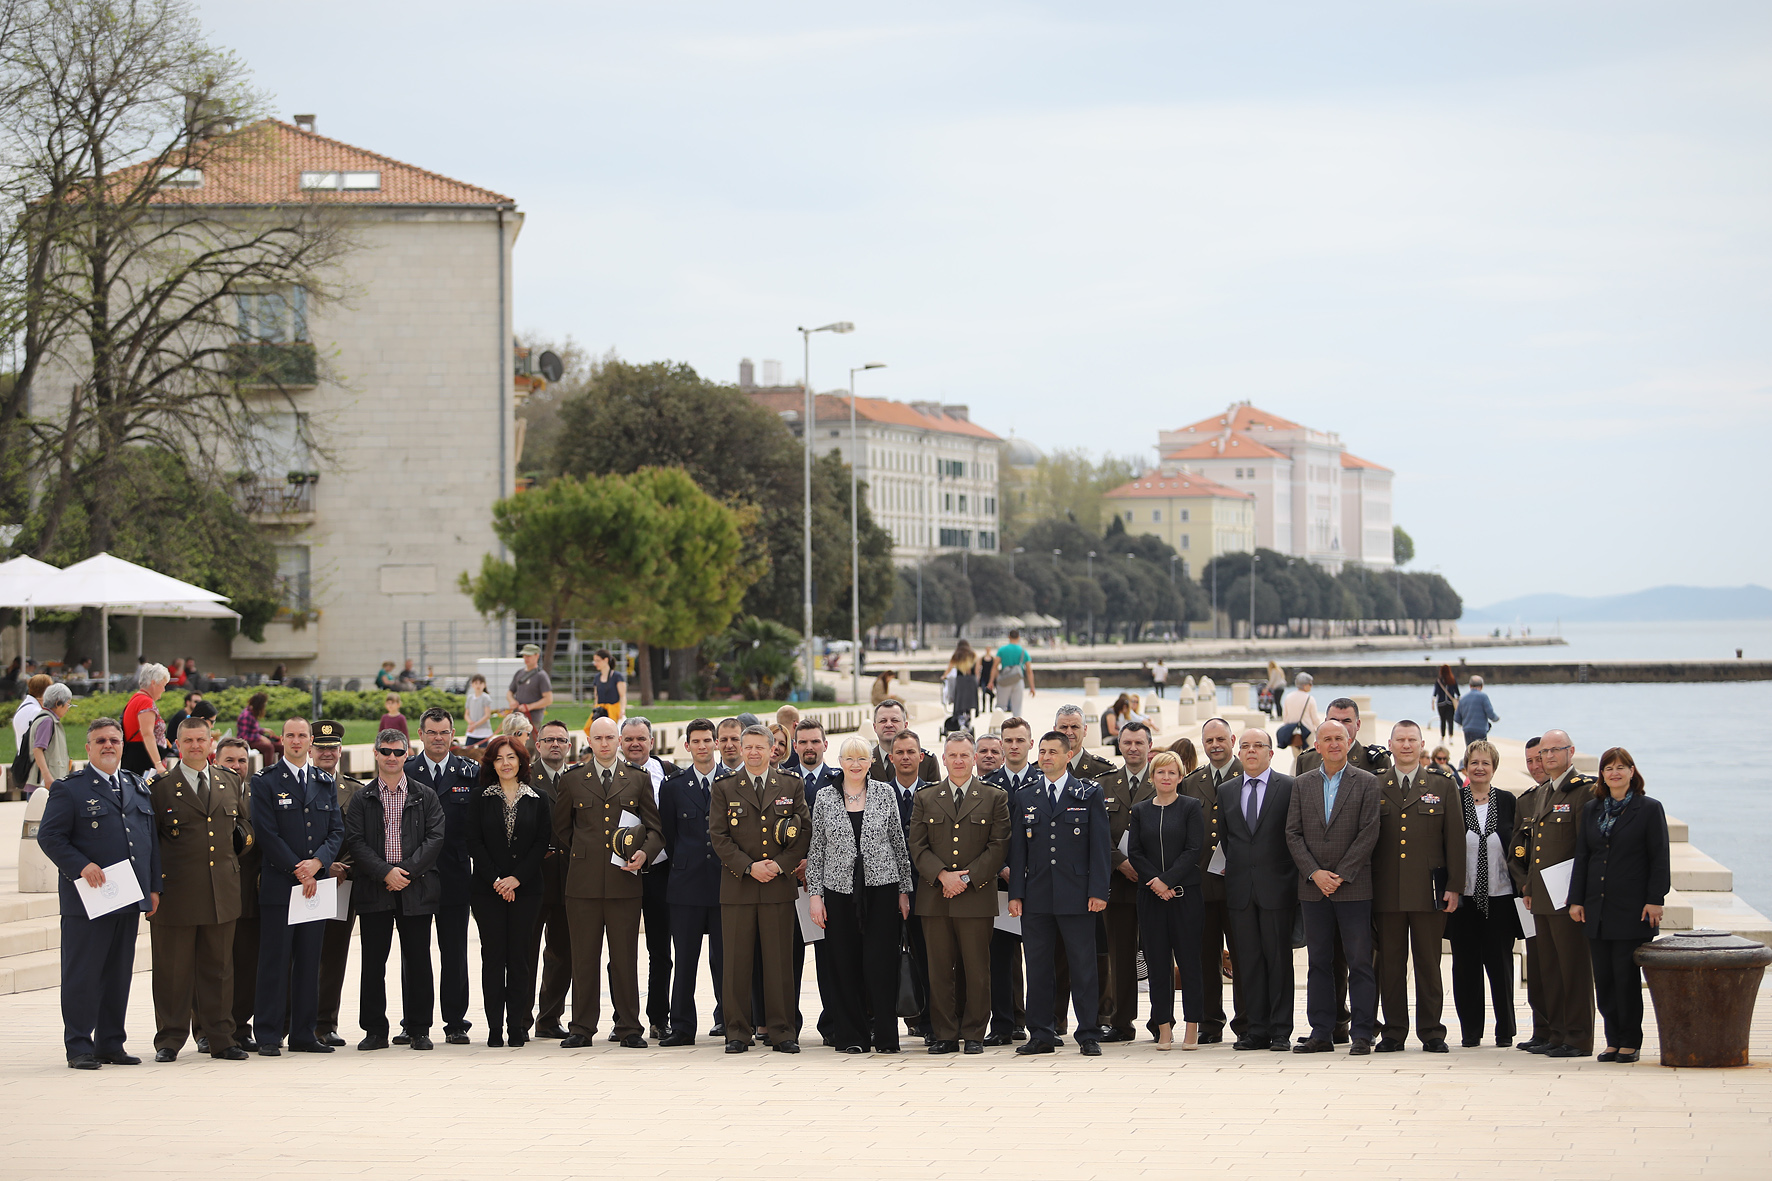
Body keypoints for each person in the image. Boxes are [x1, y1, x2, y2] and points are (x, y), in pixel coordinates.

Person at [37, 718, 161, 1069]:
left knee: (118, 973)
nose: (109, 745)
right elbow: (50, 836)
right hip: (86, 901)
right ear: (88, 747)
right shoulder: (70, 789)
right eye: (100, 740)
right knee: (83, 974)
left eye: (115, 740)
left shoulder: (135, 785)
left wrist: (153, 887)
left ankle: (111, 1043)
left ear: (123, 745)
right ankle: (79, 1046)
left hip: (126, 896)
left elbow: (149, 842)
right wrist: (81, 865)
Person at [145, 715, 251, 1062]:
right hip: (176, 894)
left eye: (201, 740)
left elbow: (245, 828)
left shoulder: (228, 781)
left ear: (211, 743)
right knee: (173, 971)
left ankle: (221, 1038)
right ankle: (170, 1040)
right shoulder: (160, 788)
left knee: (219, 970)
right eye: (187, 741)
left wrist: (239, 847)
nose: (195, 746)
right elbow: (150, 843)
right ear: (177, 744)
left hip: (221, 891)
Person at [554, 715, 661, 1048]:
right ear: (589, 741)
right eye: (597, 738)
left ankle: (629, 1027)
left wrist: (644, 854)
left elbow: (655, 829)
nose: (604, 744)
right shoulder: (573, 779)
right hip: (583, 885)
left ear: (618, 740)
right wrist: (587, 854)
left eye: (610, 738)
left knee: (625, 958)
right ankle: (582, 1028)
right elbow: (562, 829)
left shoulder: (637, 778)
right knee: (584, 958)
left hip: (623, 883)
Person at [807, 735, 914, 1053]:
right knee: (843, 961)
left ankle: (884, 1036)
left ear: (871, 762)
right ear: (840, 762)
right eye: (850, 759)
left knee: (880, 962)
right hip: (838, 890)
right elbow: (817, 849)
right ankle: (851, 1036)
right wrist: (815, 894)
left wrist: (904, 890)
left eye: (862, 759)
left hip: (882, 888)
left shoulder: (885, 793)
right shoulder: (825, 797)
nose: (856, 764)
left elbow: (898, 843)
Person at [1007, 729, 1110, 1056]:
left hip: (1077, 895)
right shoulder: (1026, 796)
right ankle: (1040, 1033)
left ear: (1068, 755)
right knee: (1037, 967)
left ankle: (1088, 1032)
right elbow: (1018, 850)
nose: (1047, 757)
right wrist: (1015, 894)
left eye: (1054, 752)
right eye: (1043, 751)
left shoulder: (1088, 793)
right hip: (1037, 896)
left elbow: (1100, 848)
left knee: (1083, 966)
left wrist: (1098, 890)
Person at [709, 724, 811, 1053]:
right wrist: (749, 867)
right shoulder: (725, 787)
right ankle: (738, 1032)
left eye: (759, 747)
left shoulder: (790, 785)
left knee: (779, 962)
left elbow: (804, 830)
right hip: (739, 886)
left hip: (778, 887)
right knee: (736, 963)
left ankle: (782, 1032)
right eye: (748, 747)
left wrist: (779, 865)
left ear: (772, 750)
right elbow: (718, 836)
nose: (753, 753)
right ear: (740, 749)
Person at [908, 732, 1010, 1055]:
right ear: (944, 757)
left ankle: (975, 1032)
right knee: (939, 970)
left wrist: (965, 879)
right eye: (952, 756)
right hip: (935, 896)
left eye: (965, 755)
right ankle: (945, 1033)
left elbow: (998, 846)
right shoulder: (926, 797)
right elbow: (917, 845)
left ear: (974, 758)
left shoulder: (994, 797)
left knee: (977, 968)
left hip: (975, 895)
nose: (959, 761)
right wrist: (942, 876)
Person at [1286, 719, 1382, 1055]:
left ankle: (1362, 1032)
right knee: (1318, 962)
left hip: (1353, 886)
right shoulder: (1302, 784)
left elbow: (1369, 832)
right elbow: (1293, 834)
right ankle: (1322, 1032)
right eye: (1326, 739)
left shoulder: (1368, 783)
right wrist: (1315, 873)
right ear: (1317, 745)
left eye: (1339, 738)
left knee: (1359, 962)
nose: (1333, 744)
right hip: (1313, 889)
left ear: (1349, 740)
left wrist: (1339, 874)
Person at [346, 729, 446, 1051]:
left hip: (415, 887)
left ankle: (419, 1029)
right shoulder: (362, 797)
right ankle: (375, 1030)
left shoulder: (425, 795)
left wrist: (406, 872)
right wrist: (384, 872)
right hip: (375, 887)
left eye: (397, 752)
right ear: (375, 754)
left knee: (418, 960)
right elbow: (356, 842)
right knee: (373, 963)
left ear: (407, 755)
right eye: (385, 751)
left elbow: (435, 838)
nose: (391, 757)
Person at [1569, 748, 1670, 1064]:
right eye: (1608, 768)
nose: (1614, 773)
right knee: (1605, 979)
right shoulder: (1592, 809)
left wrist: (1656, 899)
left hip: (1633, 909)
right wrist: (1575, 899)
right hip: (1596, 909)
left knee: (1626, 978)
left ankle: (1630, 1041)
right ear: (1601, 774)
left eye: (1621, 767)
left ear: (1632, 772)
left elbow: (1659, 858)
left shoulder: (1649, 809)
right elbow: (1583, 857)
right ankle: (1612, 1040)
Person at [1370, 719, 1464, 1054]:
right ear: (1390, 744)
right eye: (1400, 740)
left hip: (1429, 891)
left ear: (1422, 744)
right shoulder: (1375, 784)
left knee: (1428, 963)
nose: (1406, 745)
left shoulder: (1442, 785)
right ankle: (1394, 1031)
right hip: (1387, 891)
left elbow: (1454, 839)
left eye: (1412, 740)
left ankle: (1432, 1032)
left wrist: (1454, 886)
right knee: (1391, 965)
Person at [251, 716, 340, 1055]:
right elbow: (266, 832)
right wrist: (296, 868)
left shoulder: (323, 779)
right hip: (281, 886)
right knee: (275, 961)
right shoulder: (266, 780)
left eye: (303, 735)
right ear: (282, 740)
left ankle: (304, 1033)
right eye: (290, 735)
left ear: (311, 740)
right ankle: (269, 1034)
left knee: (308, 961)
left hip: (315, 887)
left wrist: (318, 863)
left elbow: (336, 830)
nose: (297, 741)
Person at [1511, 729, 1598, 1058]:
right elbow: (1532, 848)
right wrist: (1529, 888)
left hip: (1567, 897)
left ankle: (1578, 1037)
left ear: (1570, 751)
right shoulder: (1543, 792)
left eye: (1555, 750)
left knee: (1573, 969)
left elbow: (1584, 848)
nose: (1548, 757)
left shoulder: (1583, 791)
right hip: (1543, 896)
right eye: (1544, 752)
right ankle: (1558, 1032)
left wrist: (1579, 897)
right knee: (1550, 969)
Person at [406, 707, 486, 1046]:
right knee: (414, 951)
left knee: (454, 950)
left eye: (444, 732)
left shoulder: (470, 772)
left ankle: (455, 1021)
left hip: (454, 873)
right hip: (415, 875)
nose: (438, 738)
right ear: (421, 735)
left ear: (453, 735)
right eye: (431, 732)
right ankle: (415, 1023)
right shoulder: (406, 771)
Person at [464, 735, 549, 1047]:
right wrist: (498, 880)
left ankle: (517, 1027)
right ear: (491, 764)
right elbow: (474, 842)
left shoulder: (537, 798)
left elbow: (542, 842)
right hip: (488, 892)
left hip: (526, 891)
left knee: (520, 958)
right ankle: (495, 1029)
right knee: (493, 957)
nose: (505, 763)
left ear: (521, 761)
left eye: (511, 757)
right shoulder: (479, 798)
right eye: (499, 758)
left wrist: (516, 879)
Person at [1219, 727, 1297, 1051]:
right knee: (1248, 962)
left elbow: (1293, 836)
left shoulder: (1289, 787)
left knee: (1278, 961)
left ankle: (1280, 1031)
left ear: (1270, 752)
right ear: (1239, 753)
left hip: (1277, 888)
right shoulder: (1226, 791)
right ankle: (1256, 1029)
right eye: (1246, 746)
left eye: (1259, 746)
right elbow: (1228, 840)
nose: (1252, 751)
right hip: (1240, 890)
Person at [1447, 739, 1521, 1048]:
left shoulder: (1507, 801)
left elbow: (1520, 844)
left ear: (1494, 768)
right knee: (1465, 967)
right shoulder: (1454, 799)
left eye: (1485, 763)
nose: (1479, 768)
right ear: (1465, 766)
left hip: (1501, 895)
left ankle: (1505, 1030)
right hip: (1463, 898)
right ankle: (1470, 1031)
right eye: (1474, 762)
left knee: (1501, 965)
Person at [1128, 750, 1204, 1050]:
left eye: (1172, 773)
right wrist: (1156, 884)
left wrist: (1168, 880)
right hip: (1151, 899)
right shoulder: (1140, 810)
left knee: (1189, 963)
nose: (1166, 777)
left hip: (1186, 898)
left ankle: (1192, 1027)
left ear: (1180, 777)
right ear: (1153, 776)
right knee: (1158, 965)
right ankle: (1162, 1028)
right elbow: (1135, 852)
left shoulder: (1191, 807)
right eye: (1161, 772)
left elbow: (1193, 849)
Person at [657, 719, 727, 1045]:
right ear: (687, 746)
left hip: (725, 883)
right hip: (686, 885)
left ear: (716, 743)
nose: (702, 746)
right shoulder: (673, 786)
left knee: (725, 959)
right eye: (695, 741)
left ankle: (731, 1021)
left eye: (707, 740)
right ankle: (682, 1027)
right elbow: (668, 836)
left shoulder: (731, 781)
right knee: (684, 961)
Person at [1178, 717, 1243, 1044]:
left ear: (1232, 739)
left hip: (1240, 885)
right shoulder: (1193, 782)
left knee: (1243, 956)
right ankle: (1209, 1022)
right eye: (1209, 741)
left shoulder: (1248, 774)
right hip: (1201, 884)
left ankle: (1246, 1022)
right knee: (1205, 957)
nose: (1215, 745)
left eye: (1221, 739)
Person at [1095, 719, 1156, 1044]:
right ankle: (1121, 1023)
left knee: (1158, 955)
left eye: (1139, 743)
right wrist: (1120, 862)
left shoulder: (1164, 778)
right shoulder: (1104, 785)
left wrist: (1146, 868)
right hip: (1117, 886)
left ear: (1149, 745)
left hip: (1155, 886)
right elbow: (1096, 833)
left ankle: (1162, 1021)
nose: (1133, 748)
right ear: (1119, 745)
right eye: (1128, 743)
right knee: (1119, 958)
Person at [620, 716, 676, 1040]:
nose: (635, 744)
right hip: (621, 874)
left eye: (641, 738)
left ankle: (659, 1018)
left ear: (652, 742)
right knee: (622, 951)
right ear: (620, 742)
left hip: (660, 873)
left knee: (660, 951)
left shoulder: (669, 775)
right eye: (628, 739)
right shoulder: (610, 777)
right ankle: (623, 1019)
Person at [980, 720, 1033, 1043]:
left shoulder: (1043, 780)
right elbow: (983, 836)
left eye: (1020, 740)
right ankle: (1002, 1024)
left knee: (1039, 957)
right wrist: (1001, 867)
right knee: (999, 959)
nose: (1014, 746)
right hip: (999, 886)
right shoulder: (988, 785)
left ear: (1030, 743)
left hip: (1039, 883)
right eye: (1008, 741)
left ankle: (1039, 1022)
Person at [310, 719, 362, 1048]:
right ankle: (290, 1020)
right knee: (298, 954)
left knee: (333, 954)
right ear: (311, 750)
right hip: (304, 883)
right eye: (322, 748)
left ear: (340, 751)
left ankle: (325, 1022)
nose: (327, 753)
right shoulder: (299, 785)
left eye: (333, 748)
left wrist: (345, 868)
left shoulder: (355, 791)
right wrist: (318, 867)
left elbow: (367, 837)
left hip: (343, 884)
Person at [213, 736, 262, 1049]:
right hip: (214, 894)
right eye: (229, 760)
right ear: (216, 762)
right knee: (213, 965)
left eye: (241, 761)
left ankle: (241, 1028)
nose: (236, 766)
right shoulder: (206, 793)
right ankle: (207, 1030)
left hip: (249, 895)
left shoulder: (258, 793)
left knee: (245, 966)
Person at [528, 719, 575, 1039]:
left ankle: (549, 1018)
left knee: (562, 952)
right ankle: (518, 1017)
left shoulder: (577, 778)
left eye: (561, 740)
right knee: (525, 952)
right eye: (549, 739)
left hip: (569, 879)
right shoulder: (525, 776)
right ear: (538, 744)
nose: (555, 744)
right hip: (532, 880)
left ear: (569, 746)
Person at [1513, 736, 1553, 1052]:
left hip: (1561, 897)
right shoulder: (1525, 801)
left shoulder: (1572, 795)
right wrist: (1523, 885)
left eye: (1539, 758)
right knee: (1537, 965)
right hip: (1530, 898)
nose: (1535, 766)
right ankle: (1541, 1031)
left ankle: (1565, 1031)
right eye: (1529, 761)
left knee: (1561, 965)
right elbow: (1517, 851)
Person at [869, 698, 939, 783]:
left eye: (894, 720)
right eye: (883, 721)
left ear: (905, 725)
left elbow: (936, 794)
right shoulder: (865, 761)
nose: (888, 724)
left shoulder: (927, 761)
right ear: (875, 727)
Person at [122, 662, 171, 776]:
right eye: (163, 685)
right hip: (143, 760)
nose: (164, 690)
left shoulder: (136, 699)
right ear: (154, 683)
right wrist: (158, 763)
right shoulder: (145, 702)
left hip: (136, 756)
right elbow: (147, 733)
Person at [25, 682, 75, 793]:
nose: (68, 708)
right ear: (58, 703)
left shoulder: (49, 719)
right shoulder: (47, 721)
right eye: (68, 704)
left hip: (48, 783)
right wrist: (47, 777)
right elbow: (38, 749)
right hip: (45, 784)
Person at [988, 629, 1036, 717]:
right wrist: (1032, 687)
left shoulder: (1002, 650)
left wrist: (991, 681)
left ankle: (999, 727)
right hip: (1017, 680)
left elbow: (994, 667)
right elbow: (1029, 670)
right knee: (1017, 708)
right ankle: (1016, 728)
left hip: (1004, 680)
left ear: (1009, 637)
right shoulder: (1023, 651)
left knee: (1000, 707)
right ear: (1018, 637)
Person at [507, 643, 554, 730]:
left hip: (532, 720)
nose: (526, 658)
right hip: (517, 718)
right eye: (524, 655)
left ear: (537, 656)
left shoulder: (541, 676)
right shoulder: (519, 673)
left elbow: (548, 699)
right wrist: (512, 701)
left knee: (529, 743)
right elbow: (510, 692)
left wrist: (530, 706)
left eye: (529, 655)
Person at [1275, 672, 1321, 752]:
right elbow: (1315, 718)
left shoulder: (1288, 697)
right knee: (1308, 757)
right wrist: (1320, 729)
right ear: (1305, 685)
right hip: (1307, 731)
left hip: (1293, 731)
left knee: (1296, 758)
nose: (1311, 686)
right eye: (1310, 684)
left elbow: (1285, 716)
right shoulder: (1309, 698)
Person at [1453, 675, 1500, 745]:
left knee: (1470, 751)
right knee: (1481, 751)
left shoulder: (1463, 698)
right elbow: (1490, 713)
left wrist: (1466, 723)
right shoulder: (1483, 697)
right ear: (1482, 686)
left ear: (1470, 686)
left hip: (1467, 730)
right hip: (1480, 730)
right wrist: (1496, 718)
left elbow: (1456, 718)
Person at [586, 648, 626, 727]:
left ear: (606, 660)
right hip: (600, 710)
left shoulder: (617, 676)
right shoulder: (597, 677)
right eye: (595, 661)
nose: (595, 663)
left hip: (613, 710)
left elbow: (622, 695)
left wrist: (622, 710)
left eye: (598, 661)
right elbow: (596, 696)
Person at [236, 692, 277, 765]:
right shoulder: (246, 715)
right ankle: (268, 771)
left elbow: (252, 729)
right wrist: (259, 737)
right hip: (248, 743)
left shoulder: (252, 713)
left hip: (254, 739)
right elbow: (243, 736)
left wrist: (263, 730)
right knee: (269, 748)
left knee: (280, 746)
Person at [463, 674, 495, 746]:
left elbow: (487, 715)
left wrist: (475, 725)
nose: (478, 685)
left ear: (484, 685)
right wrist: (470, 723)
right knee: (467, 751)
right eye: (476, 683)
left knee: (482, 752)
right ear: (472, 685)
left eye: (480, 683)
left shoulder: (486, 698)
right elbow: (466, 714)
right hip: (472, 731)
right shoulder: (470, 698)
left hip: (483, 731)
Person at [1431, 665, 1460, 742]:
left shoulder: (1439, 680)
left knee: (1442, 720)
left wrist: (1433, 702)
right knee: (1450, 720)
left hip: (1441, 703)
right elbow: (1457, 692)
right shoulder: (1452, 680)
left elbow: (1435, 692)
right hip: (1450, 703)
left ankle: (1442, 737)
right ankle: (1451, 737)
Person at [976, 648, 997, 712]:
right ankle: (983, 707)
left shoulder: (993, 659)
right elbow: (978, 668)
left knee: (990, 692)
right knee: (983, 692)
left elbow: (995, 668)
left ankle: (991, 707)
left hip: (990, 677)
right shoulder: (982, 658)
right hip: (983, 677)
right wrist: (978, 677)